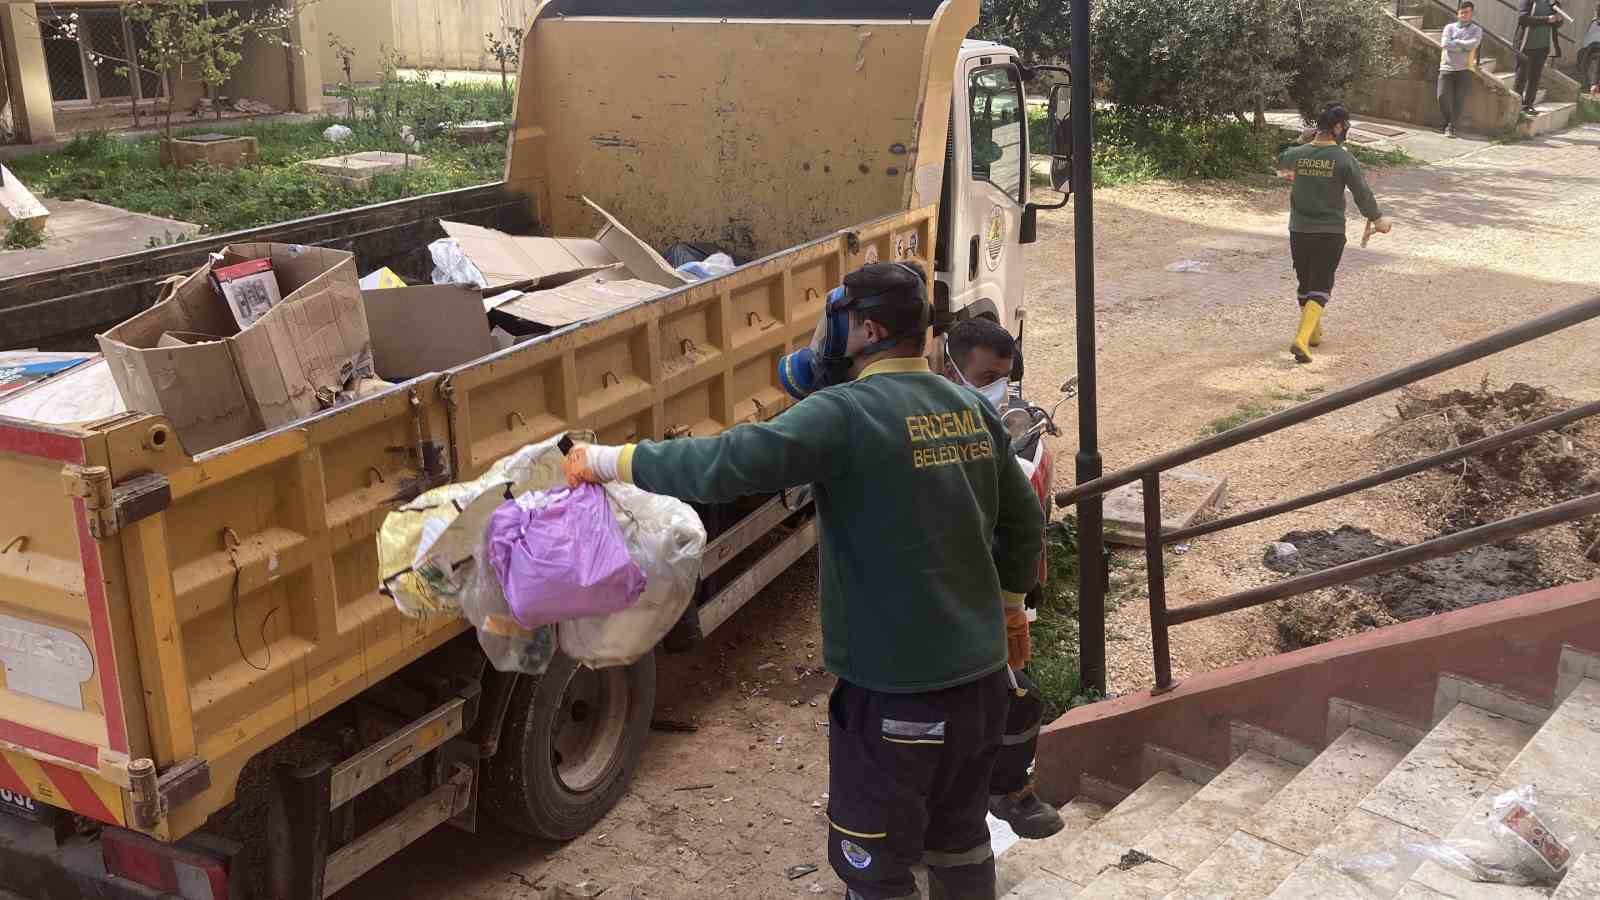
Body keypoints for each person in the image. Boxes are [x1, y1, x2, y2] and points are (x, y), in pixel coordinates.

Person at [567, 262, 1046, 900]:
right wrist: (1011, 607)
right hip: (982, 685)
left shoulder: (844, 414)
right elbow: (1022, 524)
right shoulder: (967, 407)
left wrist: (606, 460)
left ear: (868, 329)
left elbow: (726, 462)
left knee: (875, 867)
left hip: (896, 694)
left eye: (843, 322)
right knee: (958, 841)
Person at [941, 319, 1065, 841]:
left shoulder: (991, 430)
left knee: (1016, 699)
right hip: (940, 603)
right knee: (999, 705)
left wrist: (1013, 600)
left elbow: (1022, 523)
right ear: (951, 368)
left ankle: (995, 793)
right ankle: (990, 796)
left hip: (982, 598)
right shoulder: (925, 430)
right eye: (987, 375)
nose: (998, 387)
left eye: (1005, 377)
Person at [1276, 104, 1392, 364]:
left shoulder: (1298, 154)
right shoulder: (1342, 158)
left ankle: (1313, 332)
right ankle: (1302, 340)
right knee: (1321, 284)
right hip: (1329, 232)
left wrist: (1300, 139)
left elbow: (1280, 156)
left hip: (1299, 231)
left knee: (1305, 283)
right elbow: (1362, 192)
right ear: (1339, 128)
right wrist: (1377, 218)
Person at [1438, 2, 1484, 138]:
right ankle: (1448, 121)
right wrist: (1464, 46)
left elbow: (1473, 44)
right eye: (1462, 12)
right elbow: (1445, 44)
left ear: (1472, 14)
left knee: (1459, 99)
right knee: (1442, 96)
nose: (1464, 15)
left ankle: (1451, 127)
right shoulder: (1449, 28)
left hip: (1465, 69)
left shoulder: (1476, 29)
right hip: (1446, 67)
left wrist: (1456, 42)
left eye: (1467, 12)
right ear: (1458, 13)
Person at [1514, 0, 1565, 115]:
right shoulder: (1528, 1)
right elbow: (1523, 19)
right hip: (1526, 46)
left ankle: (1528, 105)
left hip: (1543, 46)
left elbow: (1556, 25)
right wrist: (1546, 19)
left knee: (1535, 78)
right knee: (1521, 76)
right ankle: (1516, 105)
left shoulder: (1553, 3)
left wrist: (1559, 20)